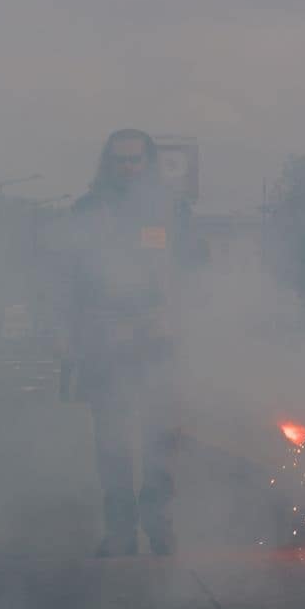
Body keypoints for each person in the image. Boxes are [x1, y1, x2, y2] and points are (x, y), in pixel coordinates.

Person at [62, 129, 194, 557]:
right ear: (107, 163)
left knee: (162, 440)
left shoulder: (173, 209)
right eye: (120, 160)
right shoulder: (87, 210)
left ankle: (159, 525)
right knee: (112, 444)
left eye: (135, 159)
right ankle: (120, 531)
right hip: (106, 343)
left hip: (159, 341)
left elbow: (193, 267)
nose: (128, 167)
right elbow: (68, 278)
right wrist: (71, 336)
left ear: (148, 162)